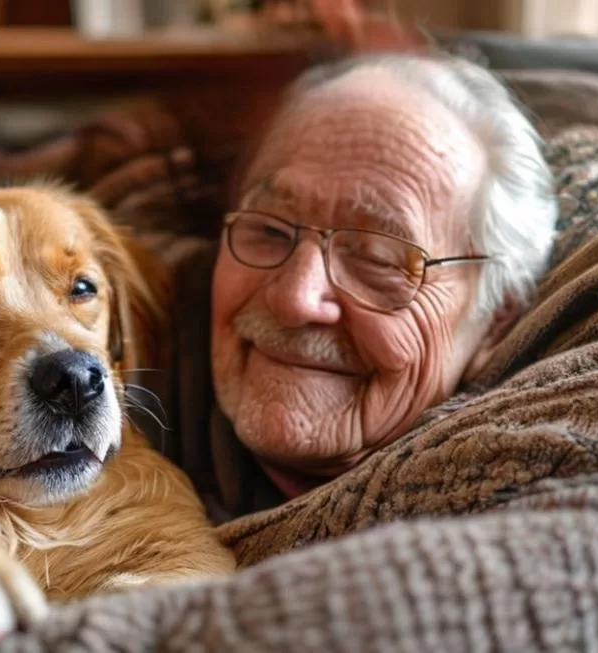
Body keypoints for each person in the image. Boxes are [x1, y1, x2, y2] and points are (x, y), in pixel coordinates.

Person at [168, 52, 560, 519]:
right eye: (269, 231)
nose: (296, 299)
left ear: (495, 320)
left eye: (378, 259)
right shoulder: (122, 382)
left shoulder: (515, 507)